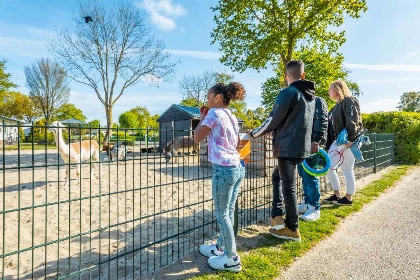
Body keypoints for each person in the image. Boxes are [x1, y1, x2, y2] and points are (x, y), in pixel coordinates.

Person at [250, 60, 315, 242]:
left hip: (287, 149)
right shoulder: (310, 97)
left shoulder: (288, 92)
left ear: (286, 77)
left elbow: (273, 118)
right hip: (300, 148)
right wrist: (277, 132)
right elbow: (292, 122)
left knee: (289, 188)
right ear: (302, 75)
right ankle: (277, 215)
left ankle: (292, 228)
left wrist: (255, 133)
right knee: (277, 177)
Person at [194, 82, 246, 272]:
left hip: (223, 169)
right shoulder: (232, 116)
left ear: (217, 97)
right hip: (238, 166)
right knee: (229, 211)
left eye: (208, 97)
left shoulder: (214, 114)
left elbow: (197, 137)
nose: (207, 100)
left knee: (222, 214)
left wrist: (202, 118)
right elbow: (238, 141)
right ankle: (220, 247)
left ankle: (232, 257)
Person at [323, 80, 363, 205]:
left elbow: (353, 120)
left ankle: (348, 198)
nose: (328, 91)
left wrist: (351, 139)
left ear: (337, 89)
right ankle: (336, 195)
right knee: (329, 167)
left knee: (347, 169)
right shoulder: (334, 108)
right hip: (338, 142)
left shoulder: (349, 100)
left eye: (330, 89)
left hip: (349, 142)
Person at [297, 96, 328, 221]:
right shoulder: (300, 102)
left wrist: (316, 140)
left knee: (311, 176)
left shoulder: (318, 101)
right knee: (303, 174)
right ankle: (307, 202)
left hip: (311, 145)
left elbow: (322, 120)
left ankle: (314, 207)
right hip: (301, 145)